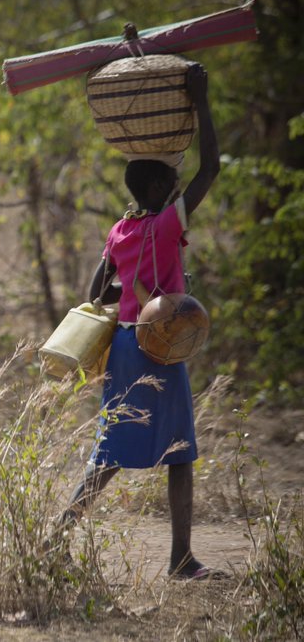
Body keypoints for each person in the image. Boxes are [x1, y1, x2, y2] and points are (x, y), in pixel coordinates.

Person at [54, 63, 221, 580]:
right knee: (179, 451)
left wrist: (132, 290)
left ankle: (56, 539)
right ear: (156, 184)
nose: (177, 184)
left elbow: (95, 293)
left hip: (125, 348)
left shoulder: (120, 230)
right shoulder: (167, 226)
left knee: (112, 450)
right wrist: (200, 99)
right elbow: (211, 168)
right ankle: (180, 559)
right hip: (159, 346)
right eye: (171, 178)